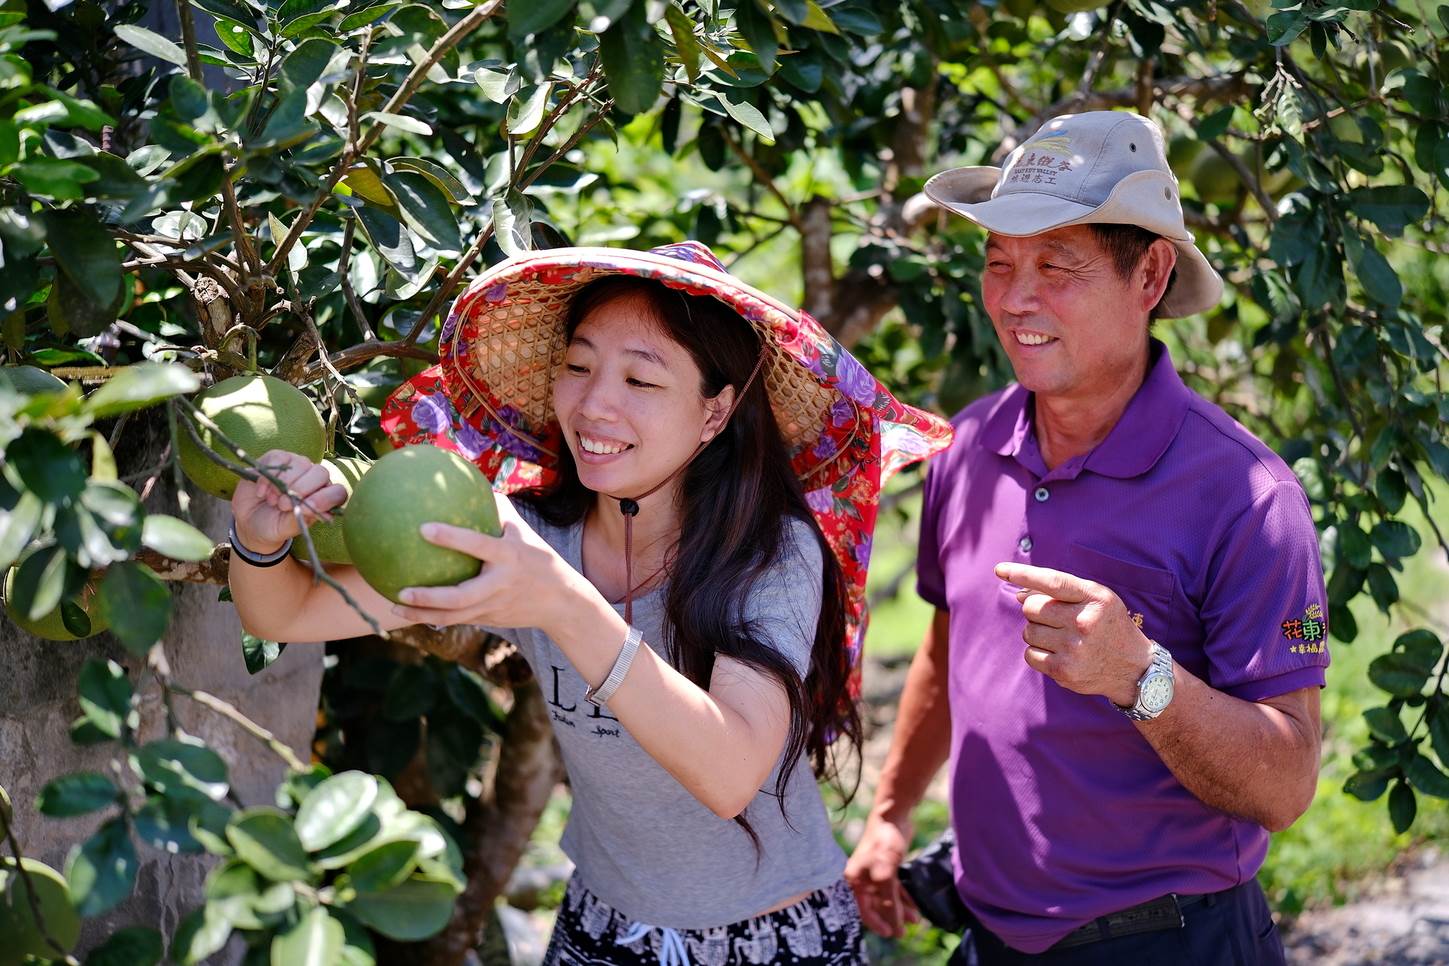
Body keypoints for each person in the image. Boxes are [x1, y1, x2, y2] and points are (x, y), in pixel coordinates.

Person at [227, 241, 952, 965]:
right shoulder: (531, 536)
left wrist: (562, 603)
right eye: (577, 367)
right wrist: (259, 541)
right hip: (602, 928)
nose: (594, 403)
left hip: (770, 939)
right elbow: (283, 615)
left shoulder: (770, 553)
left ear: (714, 412)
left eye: (641, 379)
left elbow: (730, 774)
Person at [843, 111, 1329, 963]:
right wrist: (888, 813)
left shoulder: (1248, 497)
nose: (1014, 298)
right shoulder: (969, 445)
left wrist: (1138, 676)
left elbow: (1286, 786)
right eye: (998, 265)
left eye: (1055, 266)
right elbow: (953, 640)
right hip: (993, 934)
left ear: (1148, 274)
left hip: (1170, 941)